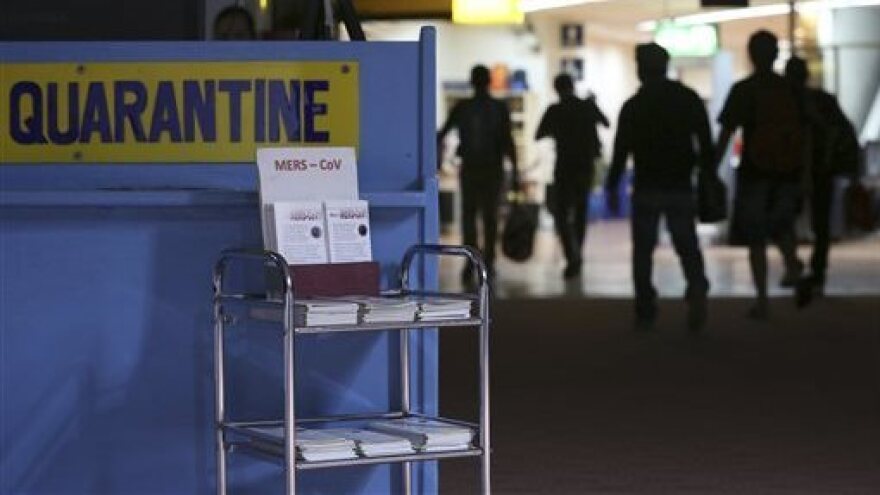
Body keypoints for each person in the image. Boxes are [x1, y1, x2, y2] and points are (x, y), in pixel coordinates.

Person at [604, 43, 713, 332]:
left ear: (641, 69)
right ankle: (697, 285)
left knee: (643, 250)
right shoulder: (688, 99)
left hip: (647, 186)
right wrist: (707, 174)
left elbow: (620, 151)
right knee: (686, 243)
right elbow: (705, 141)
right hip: (679, 184)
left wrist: (612, 186)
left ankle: (645, 309)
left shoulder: (634, 106)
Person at [716, 30, 809, 319]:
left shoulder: (744, 90)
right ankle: (793, 265)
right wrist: (805, 173)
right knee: (782, 226)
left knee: (756, 236)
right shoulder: (791, 90)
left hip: (755, 171)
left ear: (751, 55)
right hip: (788, 171)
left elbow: (727, 132)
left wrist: (709, 168)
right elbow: (807, 133)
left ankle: (762, 299)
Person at [784, 56, 860, 295]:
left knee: (785, 220)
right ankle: (817, 273)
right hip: (820, 170)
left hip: (791, 169)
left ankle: (795, 264)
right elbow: (845, 132)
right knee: (820, 224)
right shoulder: (823, 101)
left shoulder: (785, 103)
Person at [438, 65, 519, 283]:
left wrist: (436, 159)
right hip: (493, 169)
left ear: (472, 82)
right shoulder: (499, 108)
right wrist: (516, 171)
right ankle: (489, 263)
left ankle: (470, 262)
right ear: (489, 82)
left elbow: (442, 133)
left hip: (471, 169)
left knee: (469, 216)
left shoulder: (463, 107)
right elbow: (508, 141)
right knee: (490, 216)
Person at [536, 73, 609, 279]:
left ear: (556, 89)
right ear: (573, 86)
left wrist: (559, 130)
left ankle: (572, 255)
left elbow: (539, 133)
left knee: (561, 213)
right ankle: (578, 254)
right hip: (585, 167)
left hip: (564, 167)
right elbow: (606, 122)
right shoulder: (586, 106)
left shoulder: (555, 110)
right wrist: (592, 105)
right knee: (580, 211)